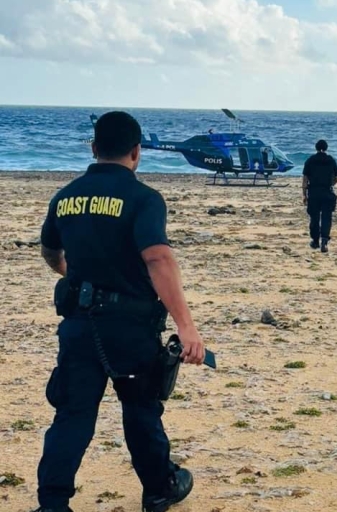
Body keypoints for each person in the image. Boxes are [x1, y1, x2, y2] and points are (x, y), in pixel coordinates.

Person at [34, 111, 205, 512]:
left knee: (72, 415)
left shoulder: (65, 196)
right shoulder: (143, 198)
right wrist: (187, 326)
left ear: (94, 149)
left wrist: (76, 277)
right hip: (130, 326)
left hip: (79, 323)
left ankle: (52, 503)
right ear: (136, 152)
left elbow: (50, 252)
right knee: (141, 408)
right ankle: (160, 487)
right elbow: (158, 258)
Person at [302, 139, 337, 253]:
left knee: (314, 217)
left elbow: (305, 180)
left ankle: (315, 240)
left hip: (314, 191)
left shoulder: (310, 160)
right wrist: (329, 184)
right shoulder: (331, 160)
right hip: (327, 192)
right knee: (326, 217)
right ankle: (324, 240)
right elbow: (336, 178)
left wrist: (304, 195)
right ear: (326, 148)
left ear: (316, 148)